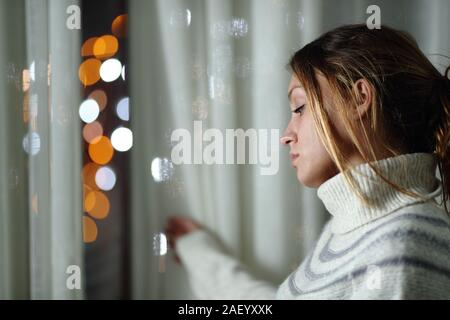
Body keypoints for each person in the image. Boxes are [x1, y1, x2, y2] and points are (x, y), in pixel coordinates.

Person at [165, 24, 450, 299]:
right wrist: (201, 255)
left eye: (299, 107)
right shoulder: (349, 228)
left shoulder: (405, 245)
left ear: (359, 98)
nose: (286, 136)